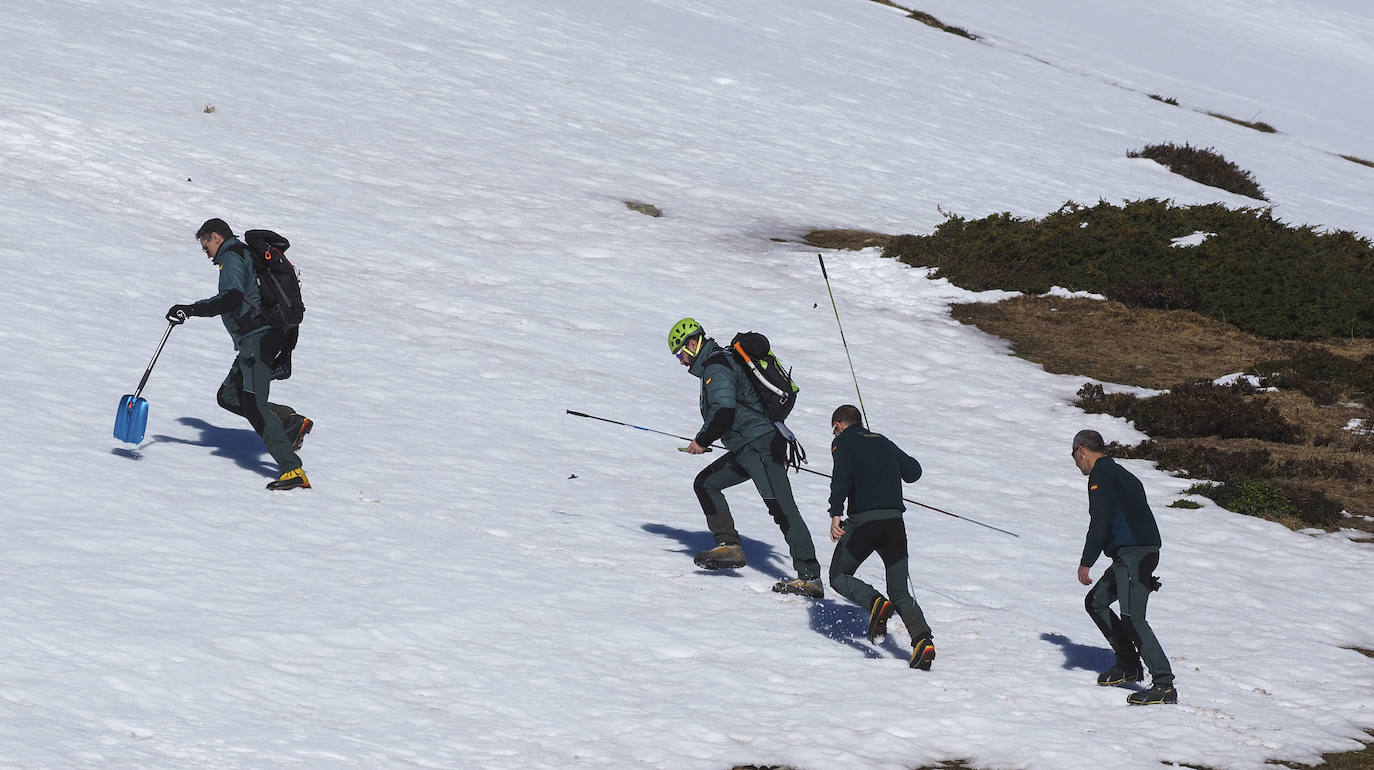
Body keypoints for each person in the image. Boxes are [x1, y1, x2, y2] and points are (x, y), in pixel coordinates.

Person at [669, 317, 823, 598]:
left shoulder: (716, 366)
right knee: (706, 484)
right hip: (746, 448)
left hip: (761, 446)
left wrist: (701, 441)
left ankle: (809, 577)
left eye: (680, 353)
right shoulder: (717, 364)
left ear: (692, 344)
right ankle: (729, 546)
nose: (680, 361)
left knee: (782, 509)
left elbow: (724, 411)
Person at [166, 218, 313, 490]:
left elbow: (231, 298)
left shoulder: (231, 257)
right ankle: (289, 421)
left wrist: (191, 309)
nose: (206, 253)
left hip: (258, 338)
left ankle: (292, 470)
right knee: (229, 396)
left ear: (215, 237)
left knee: (256, 405)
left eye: (205, 246)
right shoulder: (241, 254)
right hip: (252, 341)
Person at [1071, 429, 1176, 705]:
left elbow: (1100, 521)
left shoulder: (1101, 476)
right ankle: (1129, 663)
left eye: (1074, 456)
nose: (1075, 463)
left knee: (1133, 617)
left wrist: (1087, 561)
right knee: (1097, 601)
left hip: (1134, 554)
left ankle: (1164, 684)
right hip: (1134, 554)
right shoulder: (1125, 475)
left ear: (1081, 450)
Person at [826, 405, 935, 669]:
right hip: (894, 525)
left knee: (838, 576)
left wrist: (835, 513)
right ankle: (923, 642)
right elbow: (914, 472)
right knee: (900, 592)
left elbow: (840, 477)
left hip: (864, 524)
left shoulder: (843, 443)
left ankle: (875, 602)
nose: (834, 433)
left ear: (841, 423)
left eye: (834, 427)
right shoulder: (884, 441)